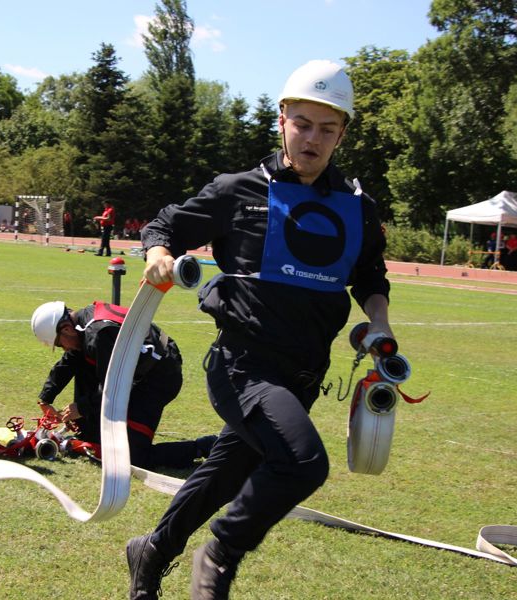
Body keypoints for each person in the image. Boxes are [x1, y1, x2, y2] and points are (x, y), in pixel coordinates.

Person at [124, 60, 394, 599]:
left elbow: (369, 275)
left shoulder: (357, 207)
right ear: (282, 120)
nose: (312, 139)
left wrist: (379, 320)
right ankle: (221, 553)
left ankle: (150, 552)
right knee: (303, 464)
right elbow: (167, 224)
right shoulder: (238, 190)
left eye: (327, 129)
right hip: (242, 367)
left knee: (225, 474)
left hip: (304, 375)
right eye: (303, 124)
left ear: (342, 133)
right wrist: (157, 254)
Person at [31, 301, 216, 469]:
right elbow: (71, 360)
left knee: (133, 457)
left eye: (60, 344)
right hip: (145, 368)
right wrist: (46, 398)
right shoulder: (85, 322)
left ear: (66, 329)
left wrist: (82, 407)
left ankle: (205, 446)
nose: (65, 348)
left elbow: (114, 386)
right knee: (82, 361)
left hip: (157, 378)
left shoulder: (98, 334)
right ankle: (91, 433)